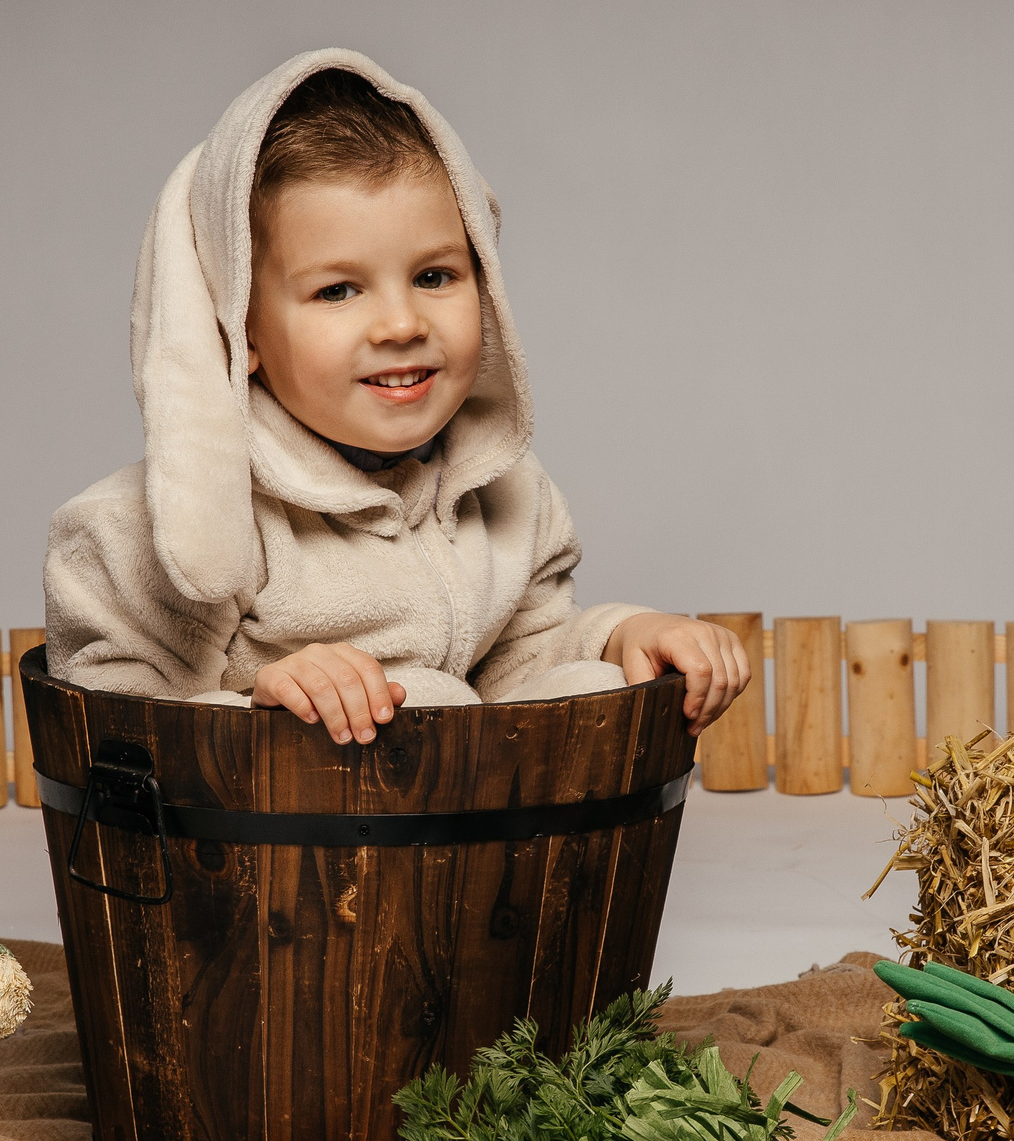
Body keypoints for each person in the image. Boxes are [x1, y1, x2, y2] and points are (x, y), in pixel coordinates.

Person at [45, 50, 745, 743]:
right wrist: (258, 703)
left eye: (435, 276)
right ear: (241, 329)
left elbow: (517, 672)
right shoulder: (160, 527)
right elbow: (110, 727)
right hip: (270, 848)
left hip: (463, 841)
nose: (404, 324)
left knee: (601, 689)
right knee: (428, 700)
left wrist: (623, 635)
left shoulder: (510, 496)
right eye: (338, 290)